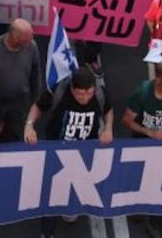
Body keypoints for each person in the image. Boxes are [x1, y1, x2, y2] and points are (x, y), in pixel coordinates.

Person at [24, 66, 112, 238]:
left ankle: (70, 207)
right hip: (56, 149)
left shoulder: (100, 94)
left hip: (84, 152)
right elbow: (38, 106)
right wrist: (29, 126)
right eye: (80, 94)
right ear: (72, 88)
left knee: (78, 186)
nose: (85, 98)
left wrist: (108, 128)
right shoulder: (58, 90)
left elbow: (108, 110)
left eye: (89, 93)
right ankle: (47, 232)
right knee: (51, 191)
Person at [0, 19, 41, 142]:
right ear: (15, 38)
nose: (32, 39)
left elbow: (35, 77)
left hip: (19, 106)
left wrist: (34, 102)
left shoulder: (32, 47)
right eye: (29, 37)